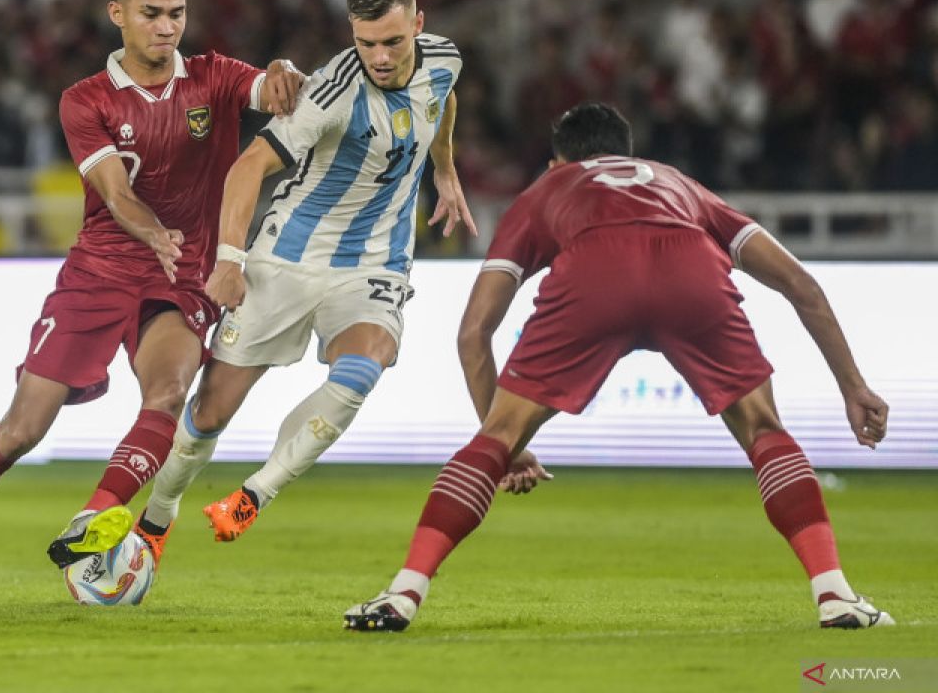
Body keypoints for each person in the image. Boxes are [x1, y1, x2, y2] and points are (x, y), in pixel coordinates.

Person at [343, 102, 894, 631]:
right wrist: (854, 386)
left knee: (495, 436)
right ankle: (834, 594)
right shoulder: (677, 182)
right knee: (764, 429)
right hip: (690, 271)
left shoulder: (545, 190)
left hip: (592, 279)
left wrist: (504, 441)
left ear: (559, 161)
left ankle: (404, 592)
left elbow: (473, 333)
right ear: (627, 153)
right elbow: (802, 286)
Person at [0, 0, 305, 600]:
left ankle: (95, 517)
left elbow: (270, 87)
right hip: (100, 271)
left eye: (177, 13)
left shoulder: (214, 77)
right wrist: (156, 234)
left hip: (181, 278)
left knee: (169, 394)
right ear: (117, 13)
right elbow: (116, 196)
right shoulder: (84, 100)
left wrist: (285, 73)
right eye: (151, 13)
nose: (167, 26)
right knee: (21, 431)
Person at [124, 0, 477, 561]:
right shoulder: (331, 92)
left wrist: (444, 170)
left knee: (367, 364)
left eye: (394, 41)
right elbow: (247, 167)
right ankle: (155, 524)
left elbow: (441, 104)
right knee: (209, 412)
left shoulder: (444, 59)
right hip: (286, 259)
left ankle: (253, 496)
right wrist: (230, 260)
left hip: (376, 264)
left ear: (418, 24)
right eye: (367, 44)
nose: (382, 58)